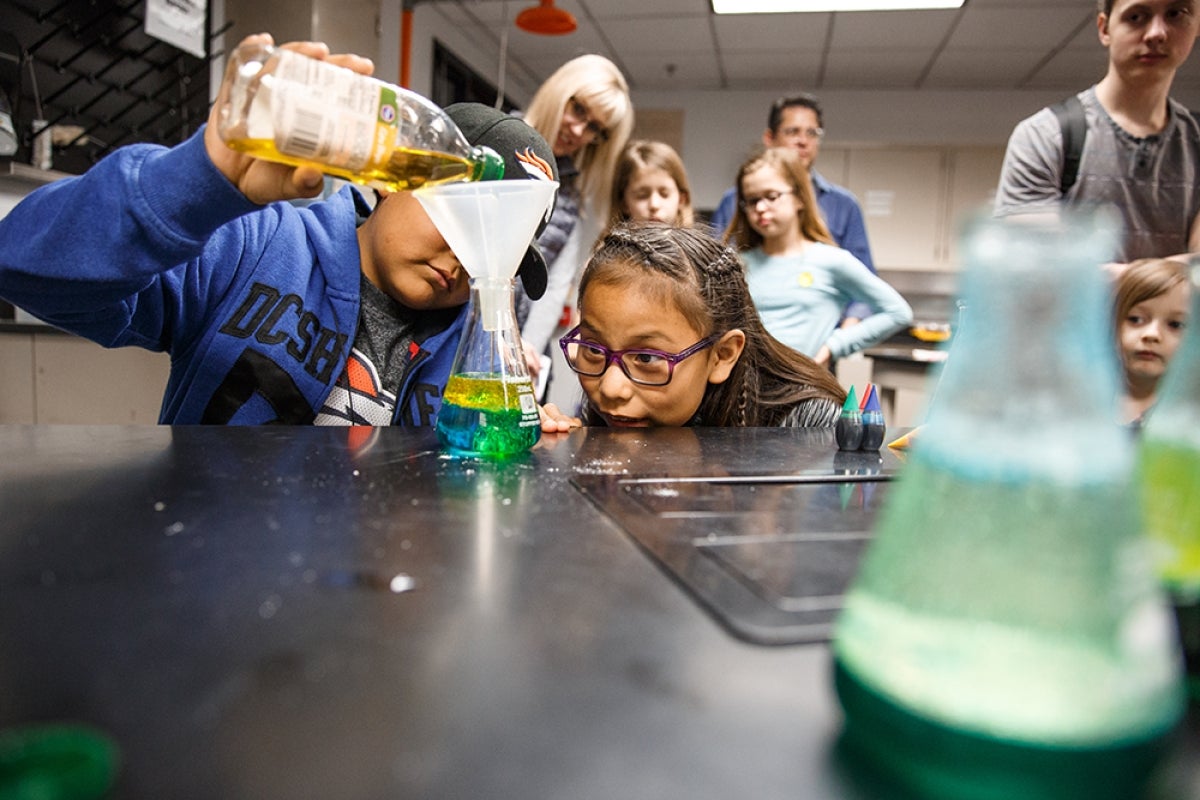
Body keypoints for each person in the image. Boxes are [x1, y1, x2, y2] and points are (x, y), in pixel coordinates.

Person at [0, 34, 559, 427]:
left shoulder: (472, 356)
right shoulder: (255, 246)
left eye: (497, 243)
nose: (466, 259)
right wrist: (198, 178)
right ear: (395, 179)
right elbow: (26, 268)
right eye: (460, 217)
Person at [544, 222, 846, 428]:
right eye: (594, 349)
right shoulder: (623, 405)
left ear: (722, 355)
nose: (610, 388)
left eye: (647, 358)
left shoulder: (810, 427)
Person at [994, 0, 1200, 263]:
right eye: (1137, 17)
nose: (1157, 33)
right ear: (1105, 29)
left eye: (1176, 14)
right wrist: (1171, 273)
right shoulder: (1045, 137)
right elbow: (1036, 268)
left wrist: (1106, 276)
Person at [726, 147, 912, 368]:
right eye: (751, 200)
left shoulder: (831, 261)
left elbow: (898, 312)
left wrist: (833, 347)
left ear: (799, 198)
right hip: (746, 394)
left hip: (807, 393)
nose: (760, 207)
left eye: (771, 196)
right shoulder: (738, 265)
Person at [709, 93, 877, 324]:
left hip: (819, 348)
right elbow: (717, 275)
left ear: (799, 201)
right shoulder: (733, 201)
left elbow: (865, 287)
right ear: (770, 138)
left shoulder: (844, 206)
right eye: (792, 132)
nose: (803, 141)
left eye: (812, 133)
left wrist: (838, 341)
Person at [517, 55, 635, 380]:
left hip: (519, 358)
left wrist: (526, 348)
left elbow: (554, 286)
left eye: (595, 128)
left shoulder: (568, 198)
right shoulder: (492, 141)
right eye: (579, 109)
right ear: (560, 90)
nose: (579, 129)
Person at [1113, 257, 1191, 426]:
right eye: (1136, 319)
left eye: (1175, 324)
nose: (1152, 334)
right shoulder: (1087, 401)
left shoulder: (1190, 416)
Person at [607, 139, 695, 229]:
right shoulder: (607, 243)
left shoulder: (697, 243)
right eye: (642, 196)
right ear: (624, 204)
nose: (654, 205)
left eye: (664, 194)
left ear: (681, 200)